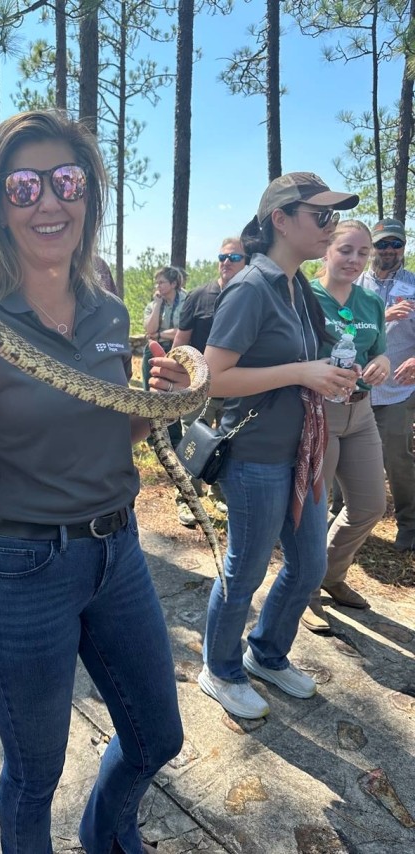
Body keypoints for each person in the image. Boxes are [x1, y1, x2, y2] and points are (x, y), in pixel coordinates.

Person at [0, 110, 189, 854]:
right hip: (19, 567)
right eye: (23, 186)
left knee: (157, 738)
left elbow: (110, 430)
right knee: (34, 776)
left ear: (89, 197)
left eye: (67, 181)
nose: (48, 201)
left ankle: (108, 835)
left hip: (118, 553)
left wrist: (169, 399)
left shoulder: (110, 311)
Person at [199, 172, 359, 720]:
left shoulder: (296, 289)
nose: (330, 227)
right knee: (244, 571)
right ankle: (219, 668)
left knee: (309, 565)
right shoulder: (250, 287)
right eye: (321, 216)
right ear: (281, 221)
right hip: (257, 459)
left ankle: (267, 652)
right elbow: (213, 379)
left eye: (333, 217)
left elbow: (306, 367)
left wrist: (334, 374)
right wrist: (302, 371)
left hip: (302, 455)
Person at [301, 220, 389, 632]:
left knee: (371, 505)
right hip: (319, 413)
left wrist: (383, 363)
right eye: (346, 250)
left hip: (361, 411)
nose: (354, 260)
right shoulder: (303, 296)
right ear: (326, 252)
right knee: (315, 511)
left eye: (362, 253)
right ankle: (304, 592)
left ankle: (330, 576)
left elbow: (380, 353)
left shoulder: (370, 302)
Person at [173, 238, 247, 524]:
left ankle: (219, 495)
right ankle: (187, 501)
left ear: (247, 262)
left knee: (227, 444)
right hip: (197, 388)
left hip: (238, 390)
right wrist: (178, 383)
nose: (226, 262)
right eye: (222, 256)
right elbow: (181, 341)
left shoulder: (252, 297)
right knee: (193, 442)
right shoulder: (199, 295)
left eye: (234, 257)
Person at [354, 218, 415, 553]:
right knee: (348, 456)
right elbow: (343, 326)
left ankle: (409, 524)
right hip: (357, 386)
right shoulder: (355, 285)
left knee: (397, 455)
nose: (390, 251)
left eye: (396, 244)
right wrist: (382, 318)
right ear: (372, 248)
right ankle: (343, 517)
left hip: (397, 390)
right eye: (382, 244)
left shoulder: (414, 285)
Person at [142, 266, 187, 445]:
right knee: (151, 390)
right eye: (157, 282)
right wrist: (158, 304)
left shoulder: (186, 301)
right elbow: (149, 330)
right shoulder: (154, 304)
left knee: (170, 391)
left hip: (176, 350)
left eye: (162, 282)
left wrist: (161, 334)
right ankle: (154, 436)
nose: (158, 286)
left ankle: (174, 437)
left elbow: (182, 330)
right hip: (152, 348)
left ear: (174, 283)